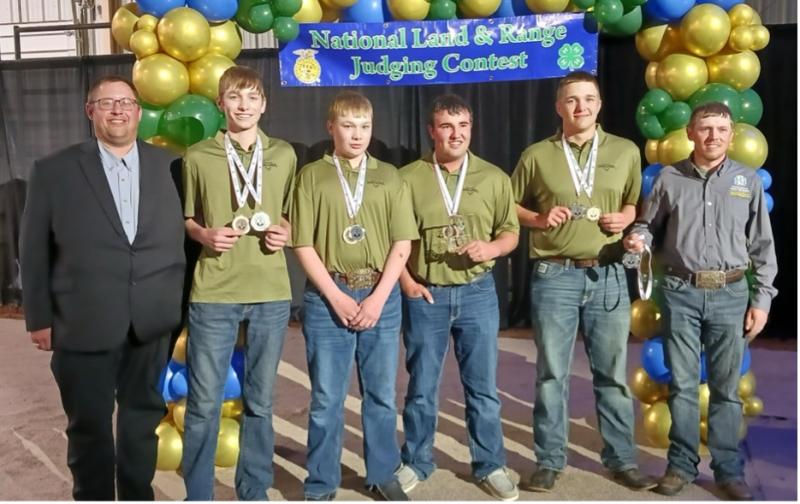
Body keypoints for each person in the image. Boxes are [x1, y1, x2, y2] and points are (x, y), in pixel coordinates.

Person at [19, 75, 185, 500]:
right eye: (106, 102)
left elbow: (188, 239)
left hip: (150, 322)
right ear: (89, 111)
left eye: (126, 102)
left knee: (140, 422)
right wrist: (38, 318)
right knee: (89, 426)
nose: (117, 110)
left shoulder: (171, 165)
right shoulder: (54, 169)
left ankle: (135, 494)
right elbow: (34, 248)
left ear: (138, 112)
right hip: (81, 321)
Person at [509, 71, 655, 492]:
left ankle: (621, 461)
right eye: (571, 100)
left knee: (610, 374)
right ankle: (550, 460)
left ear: (600, 104)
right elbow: (509, 204)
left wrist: (627, 217)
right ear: (558, 107)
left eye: (588, 99)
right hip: (554, 274)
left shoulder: (625, 151)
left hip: (608, 272)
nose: (581, 107)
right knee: (552, 373)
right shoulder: (537, 154)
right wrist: (537, 218)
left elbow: (634, 202)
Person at [624, 102, 777, 501]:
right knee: (684, 387)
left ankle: (728, 471)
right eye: (705, 129)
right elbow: (647, 224)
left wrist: (762, 299)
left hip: (730, 294)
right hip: (681, 293)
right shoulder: (670, 179)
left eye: (722, 130)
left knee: (726, 390)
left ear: (732, 135)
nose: (713, 137)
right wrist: (639, 237)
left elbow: (763, 245)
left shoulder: (747, 181)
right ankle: (681, 467)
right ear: (691, 133)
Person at [290, 91, 418, 501]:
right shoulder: (311, 176)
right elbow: (303, 245)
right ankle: (321, 481)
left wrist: (379, 298)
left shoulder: (389, 176)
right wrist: (337, 297)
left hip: (380, 291)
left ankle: (381, 473)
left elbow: (402, 243)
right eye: (348, 125)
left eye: (364, 126)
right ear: (331, 128)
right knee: (327, 395)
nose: (357, 134)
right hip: (329, 295)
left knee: (380, 393)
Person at [394, 94, 520, 501]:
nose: (456, 134)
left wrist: (493, 248)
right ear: (432, 131)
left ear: (471, 129)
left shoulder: (494, 177)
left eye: (463, 126)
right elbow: (393, 241)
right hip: (425, 293)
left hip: (478, 293)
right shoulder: (408, 178)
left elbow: (511, 232)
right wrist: (407, 284)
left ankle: (490, 464)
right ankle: (416, 461)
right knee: (422, 385)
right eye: (447, 126)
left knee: (482, 387)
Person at [180, 66, 297, 500]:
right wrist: (205, 235)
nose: (243, 106)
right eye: (234, 97)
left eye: (251, 98)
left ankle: (254, 490)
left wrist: (284, 229)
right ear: (220, 104)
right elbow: (189, 219)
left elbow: (286, 213)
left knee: (261, 402)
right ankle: (199, 493)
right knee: (204, 403)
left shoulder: (284, 153)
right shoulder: (198, 156)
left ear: (264, 104)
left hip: (270, 291)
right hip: (214, 292)